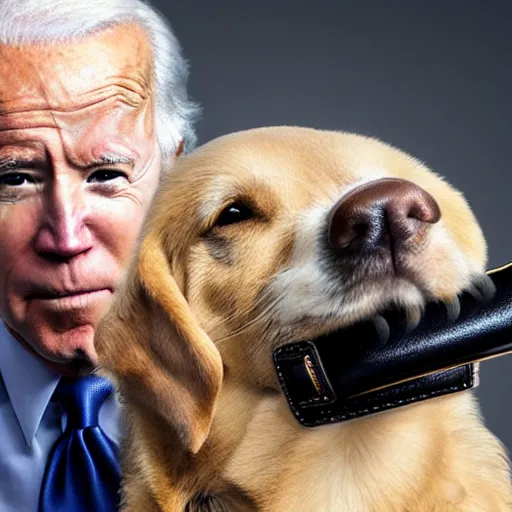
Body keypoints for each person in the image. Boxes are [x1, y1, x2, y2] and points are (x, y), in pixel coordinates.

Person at [0, 0, 199, 509]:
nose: (65, 239)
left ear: (174, 178)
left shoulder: (294, 396)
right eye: (14, 179)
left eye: (106, 174)